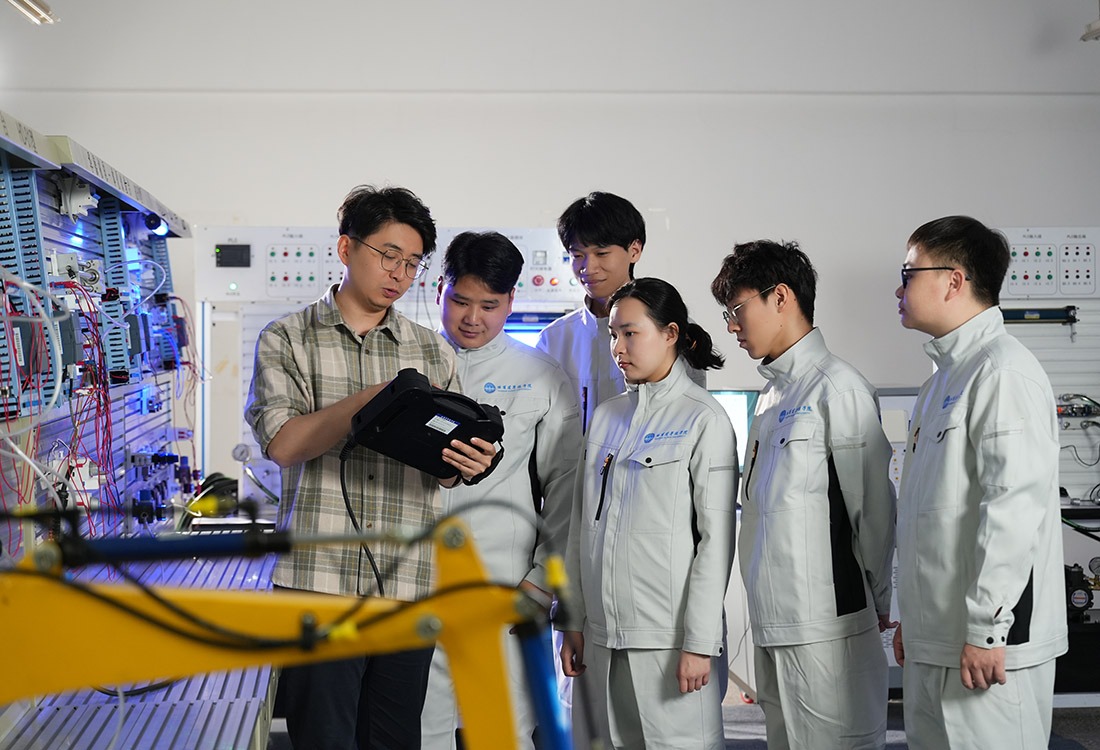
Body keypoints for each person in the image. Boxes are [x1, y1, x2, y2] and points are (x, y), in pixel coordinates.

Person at [244, 185, 497, 750]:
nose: (399, 274)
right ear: (346, 248)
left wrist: (467, 460)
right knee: (324, 740)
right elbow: (283, 444)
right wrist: (371, 403)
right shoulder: (287, 339)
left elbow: (444, 469)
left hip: (409, 583)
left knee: (394, 741)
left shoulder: (432, 351)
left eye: (412, 263)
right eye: (388, 255)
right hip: (317, 584)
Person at [710, 240, 896, 750]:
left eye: (736, 309)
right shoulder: (772, 396)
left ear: (780, 297)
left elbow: (872, 511)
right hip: (774, 622)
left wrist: (878, 598)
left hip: (827, 626)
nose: (732, 327)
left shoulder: (838, 388)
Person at [891, 216, 1068, 750]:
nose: (899, 289)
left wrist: (987, 628)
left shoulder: (1003, 371)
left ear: (953, 280)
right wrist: (914, 623)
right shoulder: (941, 382)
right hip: (937, 640)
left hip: (988, 644)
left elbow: (1013, 509)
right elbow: (930, 518)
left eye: (909, 273)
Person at [558, 277, 737, 749]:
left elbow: (716, 542)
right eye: (613, 334)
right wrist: (571, 619)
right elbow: (581, 527)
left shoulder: (703, 419)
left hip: (668, 643)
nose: (618, 347)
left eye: (630, 333)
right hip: (600, 640)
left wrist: (700, 643)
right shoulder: (606, 418)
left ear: (671, 333)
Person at [420, 231, 581, 749]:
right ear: (440, 289)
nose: (473, 318)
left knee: (503, 733)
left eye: (489, 305)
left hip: (504, 588)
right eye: (460, 301)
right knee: (418, 733)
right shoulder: (408, 365)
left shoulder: (541, 376)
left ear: (511, 300)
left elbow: (566, 489)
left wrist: (540, 584)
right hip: (416, 585)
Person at [537, 191, 706, 436]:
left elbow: (693, 420)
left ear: (634, 250)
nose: (588, 268)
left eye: (601, 253)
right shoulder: (553, 339)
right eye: (577, 255)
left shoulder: (669, 332)